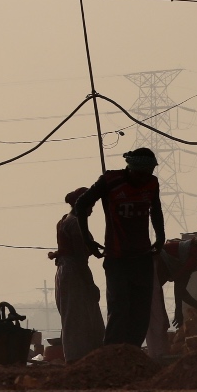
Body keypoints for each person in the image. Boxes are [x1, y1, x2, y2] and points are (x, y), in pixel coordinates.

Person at [73, 148, 165, 346]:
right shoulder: (110, 181)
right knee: (119, 307)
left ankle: (132, 352)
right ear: (130, 169)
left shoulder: (152, 183)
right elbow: (81, 205)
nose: (143, 179)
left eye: (147, 174)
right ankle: (112, 353)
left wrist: (160, 236)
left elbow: (155, 209)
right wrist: (87, 240)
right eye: (139, 174)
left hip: (142, 257)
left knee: (141, 310)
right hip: (117, 258)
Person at [146, 229, 197, 357]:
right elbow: (179, 286)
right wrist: (178, 311)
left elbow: (182, 291)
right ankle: (158, 356)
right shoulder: (196, 255)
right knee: (157, 318)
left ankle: (156, 353)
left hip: (151, 270)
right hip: (150, 270)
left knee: (155, 317)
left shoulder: (194, 250)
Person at [51, 186, 105, 363]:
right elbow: (81, 259)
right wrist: (91, 285)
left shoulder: (65, 221)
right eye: (89, 206)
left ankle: (83, 357)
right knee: (78, 318)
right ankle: (78, 359)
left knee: (78, 316)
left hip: (66, 272)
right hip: (74, 273)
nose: (91, 211)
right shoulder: (74, 223)